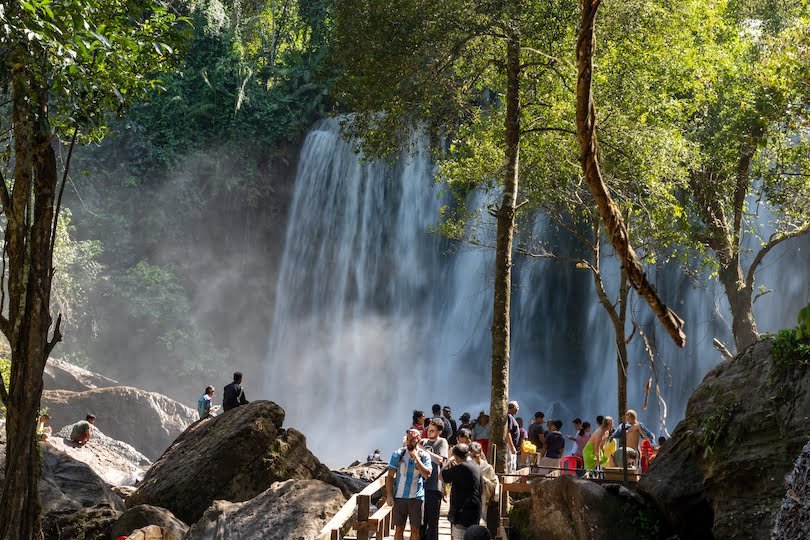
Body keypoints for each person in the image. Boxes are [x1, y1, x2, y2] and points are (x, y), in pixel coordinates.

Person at [386, 428, 432, 540]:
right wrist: (389, 495)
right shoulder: (398, 454)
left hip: (416, 497)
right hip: (399, 497)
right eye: (408, 439)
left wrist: (416, 458)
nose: (409, 442)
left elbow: (427, 474)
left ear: (418, 440)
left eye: (412, 440)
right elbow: (390, 476)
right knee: (398, 529)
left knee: (415, 530)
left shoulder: (424, 455)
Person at [441, 443, 482, 540]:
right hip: (475, 509)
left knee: (459, 537)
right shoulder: (475, 465)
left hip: (462, 512)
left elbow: (441, 476)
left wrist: (448, 461)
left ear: (456, 456)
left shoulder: (461, 467)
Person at [419, 418, 449, 540]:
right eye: (428, 429)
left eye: (432, 430)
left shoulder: (442, 442)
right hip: (420, 487)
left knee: (432, 522)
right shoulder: (423, 441)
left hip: (434, 486)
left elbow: (440, 460)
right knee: (420, 522)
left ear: (439, 432)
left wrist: (423, 449)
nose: (429, 432)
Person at [469, 441, 498, 520]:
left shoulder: (487, 468)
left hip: (482, 499)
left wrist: (484, 480)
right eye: (471, 457)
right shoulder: (465, 466)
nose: (473, 459)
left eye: (475, 456)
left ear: (480, 453)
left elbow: (493, 485)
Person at [506, 401, 520, 472]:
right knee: (510, 467)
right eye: (517, 407)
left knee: (512, 467)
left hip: (511, 447)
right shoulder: (509, 416)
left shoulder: (511, 417)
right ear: (513, 407)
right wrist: (512, 447)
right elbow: (507, 432)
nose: (518, 409)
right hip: (510, 447)